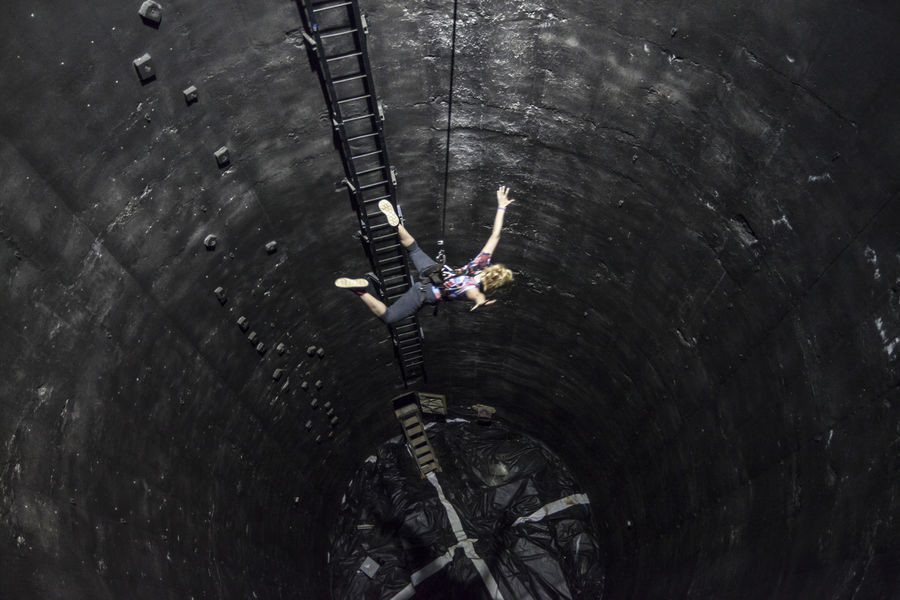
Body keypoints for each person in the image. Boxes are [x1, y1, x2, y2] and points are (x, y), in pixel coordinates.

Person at [335, 185, 516, 324]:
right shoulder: (474, 289)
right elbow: (473, 294)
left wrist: (501, 207)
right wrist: (480, 300)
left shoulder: (481, 264)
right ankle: (360, 290)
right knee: (389, 317)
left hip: (434, 270)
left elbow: (495, 235)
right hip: (427, 292)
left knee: (413, 248)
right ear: (496, 285)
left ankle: (397, 225)